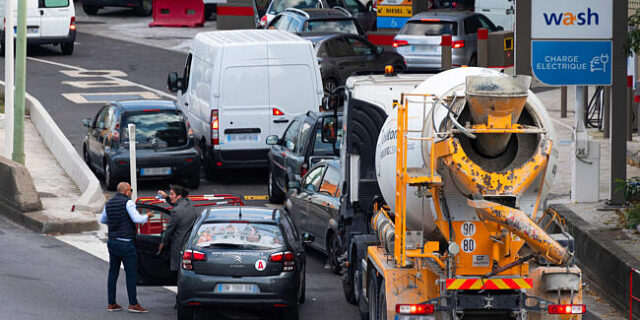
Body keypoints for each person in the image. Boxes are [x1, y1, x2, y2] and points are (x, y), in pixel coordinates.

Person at [99, 182, 153, 313]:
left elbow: (103, 220)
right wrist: (147, 216)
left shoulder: (109, 203)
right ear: (126, 191)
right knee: (131, 274)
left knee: (113, 273)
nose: (131, 193)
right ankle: (133, 303)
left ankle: (111, 303)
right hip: (126, 243)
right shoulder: (128, 203)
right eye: (131, 190)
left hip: (112, 242)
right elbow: (137, 219)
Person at [156, 185, 199, 272]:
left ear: (178, 196)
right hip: (189, 241)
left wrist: (163, 243)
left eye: (172, 194)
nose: (170, 196)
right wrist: (166, 197)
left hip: (178, 243)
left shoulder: (176, 212)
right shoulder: (189, 203)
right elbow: (178, 204)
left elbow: (169, 230)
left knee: (177, 268)